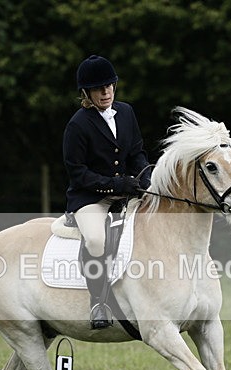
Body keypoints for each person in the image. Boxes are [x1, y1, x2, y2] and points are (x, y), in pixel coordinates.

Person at [62, 55, 153, 329]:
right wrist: (114, 185)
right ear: (86, 93)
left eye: (110, 86)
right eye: (99, 88)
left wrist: (146, 179)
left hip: (128, 191)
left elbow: (137, 152)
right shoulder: (77, 125)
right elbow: (78, 173)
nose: (106, 92)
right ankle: (98, 302)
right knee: (96, 240)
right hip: (91, 197)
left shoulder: (126, 112)